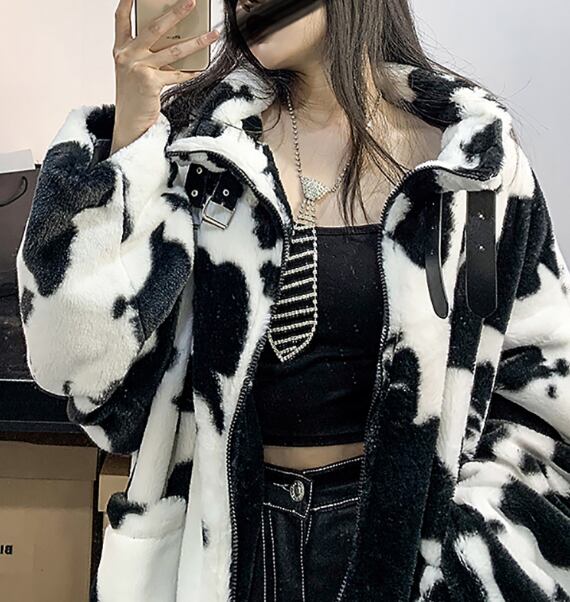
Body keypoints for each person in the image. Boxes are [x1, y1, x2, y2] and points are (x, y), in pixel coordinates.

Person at [16, 0, 570, 600]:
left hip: (401, 551)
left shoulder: (469, 167)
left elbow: (539, 386)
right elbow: (76, 367)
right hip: (221, 544)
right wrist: (131, 141)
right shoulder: (199, 149)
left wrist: (465, 554)